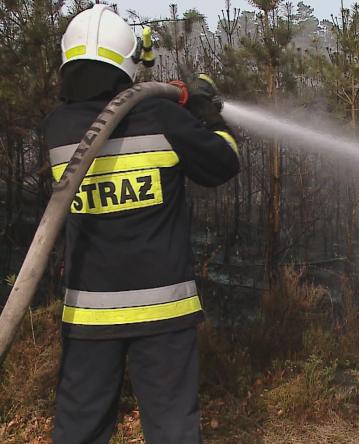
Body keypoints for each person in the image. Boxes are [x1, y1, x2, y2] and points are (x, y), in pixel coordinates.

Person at [44, 5, 239, 443]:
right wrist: (210, 118)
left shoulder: (58, 129)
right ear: (129, 60)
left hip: (88, 313)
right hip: (163, 313)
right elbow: (224, 163)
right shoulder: (162, 117)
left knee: (79, 431)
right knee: (172, 430)